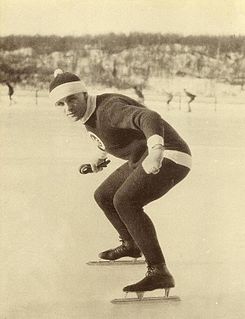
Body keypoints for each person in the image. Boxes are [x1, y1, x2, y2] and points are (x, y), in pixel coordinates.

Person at [49, 70, 192, 295]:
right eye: (61, 103)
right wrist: (99, 158)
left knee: (125, 201)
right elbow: (109, 138)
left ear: (85, 94)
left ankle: (159, 271)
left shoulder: (108, 109)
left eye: (72, 99)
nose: (67, 108)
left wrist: (156, 151)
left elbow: (150, 117)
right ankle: (132, 244)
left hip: (170, 155)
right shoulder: (90, 114)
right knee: (103, 195)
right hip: (142, 158)